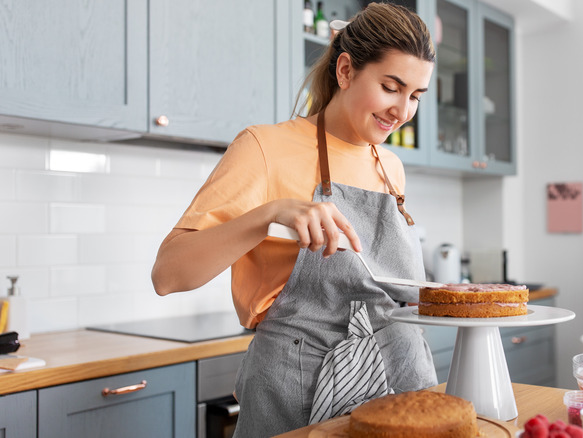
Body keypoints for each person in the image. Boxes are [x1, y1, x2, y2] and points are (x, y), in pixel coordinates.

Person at [151, 3, 438, 436]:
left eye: (415, 96)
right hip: (297, 387)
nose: (402, 111)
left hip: (397, 378)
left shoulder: (390, 166)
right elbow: (167, 275)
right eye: (390, 87)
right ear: (345, 71)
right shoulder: (264, 147)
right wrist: (270, 213)